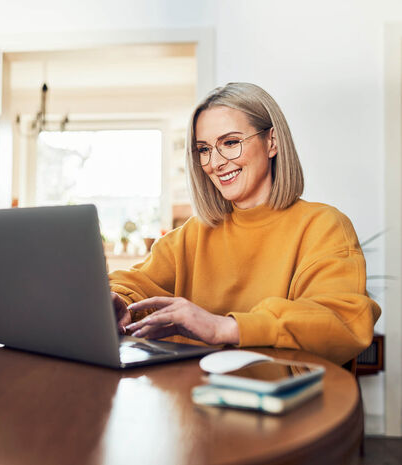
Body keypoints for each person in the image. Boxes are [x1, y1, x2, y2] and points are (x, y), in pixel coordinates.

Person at [109, 82, 380, 365]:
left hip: (282, 402)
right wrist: (118, 300)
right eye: (204, 149)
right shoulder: (192, 234)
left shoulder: (323, 226)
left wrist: (225, 327)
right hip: (196, 397)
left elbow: (343, 321)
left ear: (271, 142)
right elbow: (134, 282)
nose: (215, 162)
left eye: (230, 143)